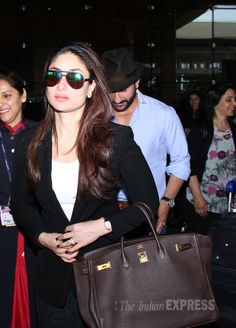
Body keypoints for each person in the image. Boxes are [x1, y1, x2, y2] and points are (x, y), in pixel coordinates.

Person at [10, 42, 159, 328]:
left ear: (91, 87)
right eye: (54, 76)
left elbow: (147, 206)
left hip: (107, 275)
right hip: (52, 280)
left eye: (75, 78)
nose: (61, 85)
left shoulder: (117, 139)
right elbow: (20, 203)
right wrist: (44, 238)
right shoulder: (29, 142)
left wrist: (100, 226)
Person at [100, 47, 190, 232]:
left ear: (137, 82)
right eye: (111, 91)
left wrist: (166, 201)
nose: (117, 98)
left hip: (149, 212)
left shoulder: (163, 114)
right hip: (104, 215)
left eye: (123, 89)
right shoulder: (96, 118)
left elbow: (181, 161)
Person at [0, 67, 37, 328]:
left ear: (23, 95)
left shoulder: (43, 135)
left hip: (38, 233)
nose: (1, 104)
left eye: (6, 95)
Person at [183, 83, 236, 234]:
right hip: (204, 202)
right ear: (215, 102)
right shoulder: (200, 129)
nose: (234, 103)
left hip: (228, 203)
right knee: (205, 251)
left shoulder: (233, 129)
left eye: (235, 99)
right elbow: (189, 165)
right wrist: (198, 198)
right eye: (229, 100)